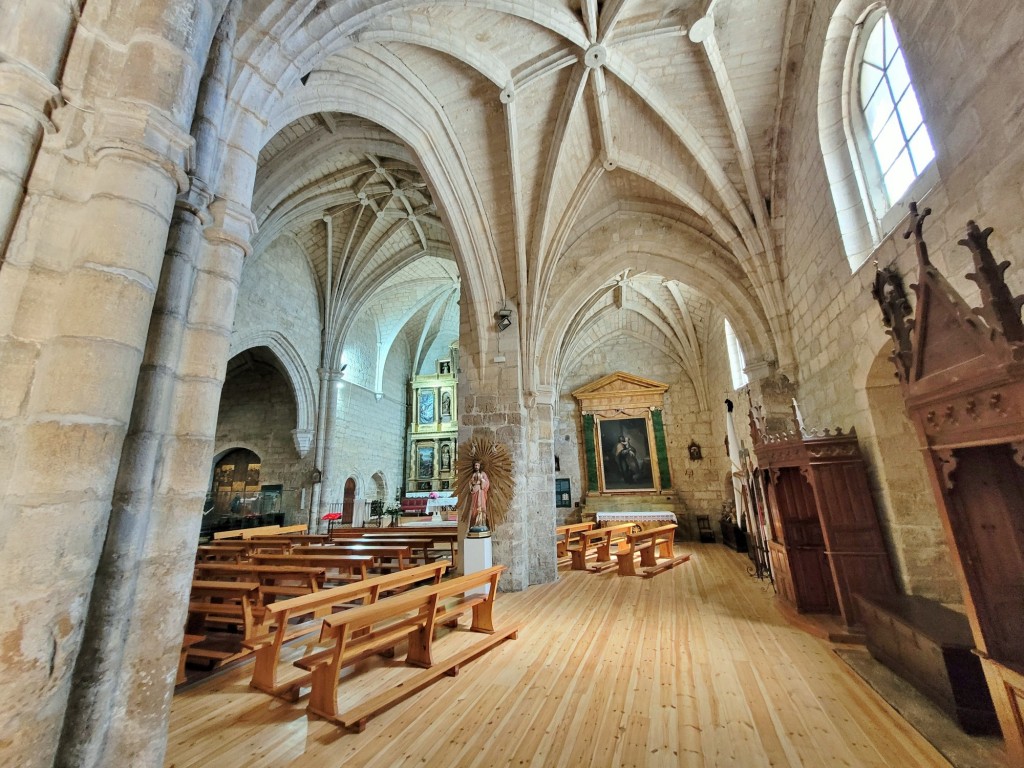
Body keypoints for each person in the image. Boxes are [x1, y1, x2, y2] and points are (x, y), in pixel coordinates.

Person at [468, 460, 490, 531]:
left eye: (477, 465)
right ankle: (475, 523)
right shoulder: (473, 474)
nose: (476, 467)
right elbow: (470, 483)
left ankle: (482, 523)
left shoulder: (483, 473)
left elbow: (487, 482)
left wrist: (482, 481)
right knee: (475, 507)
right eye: (475, 465)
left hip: (480, 491)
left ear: (480, 466)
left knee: (481, 506)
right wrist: (472, 485)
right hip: (475, 491)